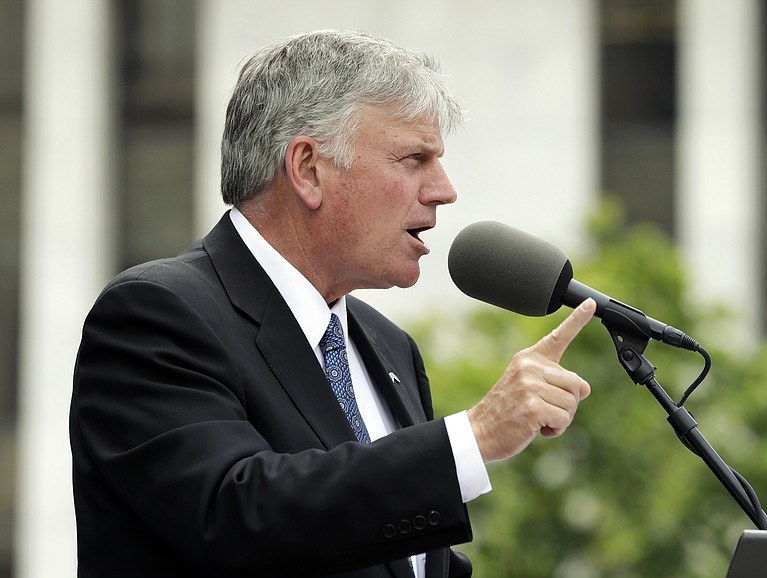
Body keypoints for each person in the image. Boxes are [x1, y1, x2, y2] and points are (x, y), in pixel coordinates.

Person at [70, 29, 596, 578]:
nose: (444, 189)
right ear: (308, 169)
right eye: (415, 158)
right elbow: (236, 516)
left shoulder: (390, 349)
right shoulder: (157, 315)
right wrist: (473, 437)